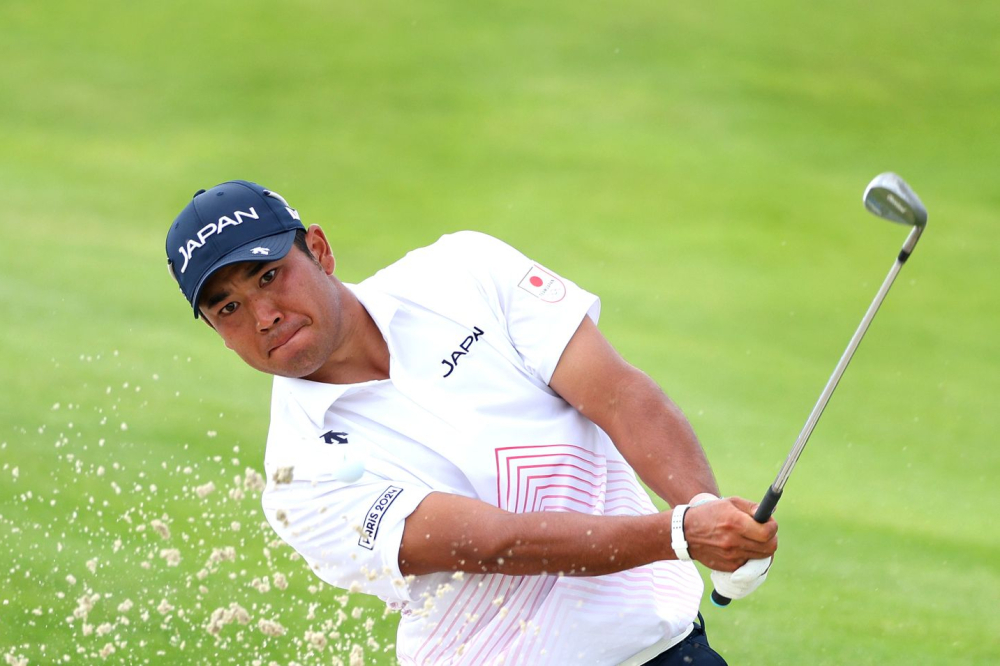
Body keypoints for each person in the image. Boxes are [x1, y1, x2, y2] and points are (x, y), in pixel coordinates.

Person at [165, 180, 778, 665]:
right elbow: (495, 543)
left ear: (319, 250)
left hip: (669, 652)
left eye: (269, 275)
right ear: (219, 334)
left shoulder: (461, 272)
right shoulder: (299, 477)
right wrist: (681, 534)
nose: (264, 315)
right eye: (229, 308)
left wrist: (711, 517)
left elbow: (618, 395)